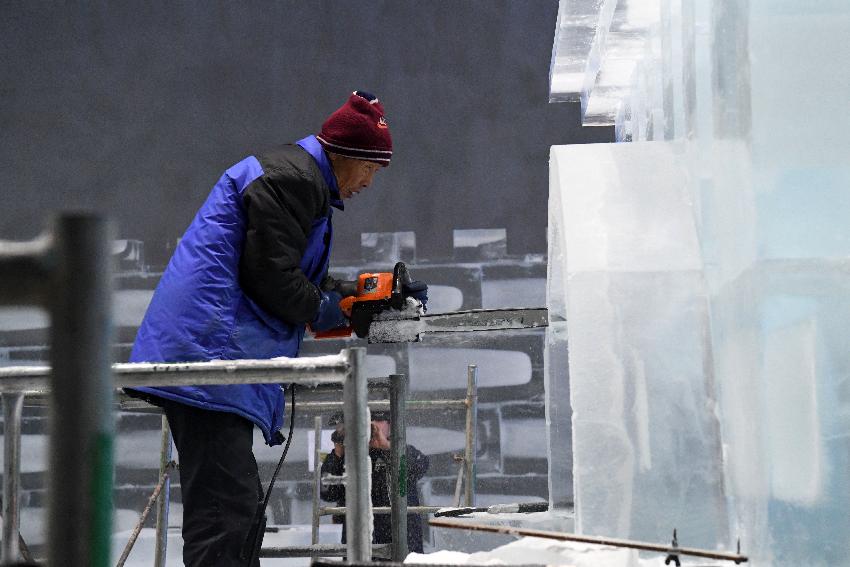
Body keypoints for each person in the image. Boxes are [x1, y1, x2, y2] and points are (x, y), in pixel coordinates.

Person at [125, 91, 407, 567]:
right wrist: (336, 310)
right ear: (349, 155)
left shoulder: (296, 179)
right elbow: (271, 279)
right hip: (210, 358)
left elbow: (285, 272)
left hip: (213, 356)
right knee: (224, 515)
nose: (369, 182)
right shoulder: (291, 180)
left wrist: (352, 293)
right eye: (372, 169)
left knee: (238, 510)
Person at [320, 413, 431, 555]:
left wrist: (387, 446)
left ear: (390, 425)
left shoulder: (400, 451)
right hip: (360, 543)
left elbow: (421, 465)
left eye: (378, 420)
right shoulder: (348, 457)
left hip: (403, 541)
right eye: (367, 420)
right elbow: (328, 493)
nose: (371, 425)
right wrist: (338, 454)